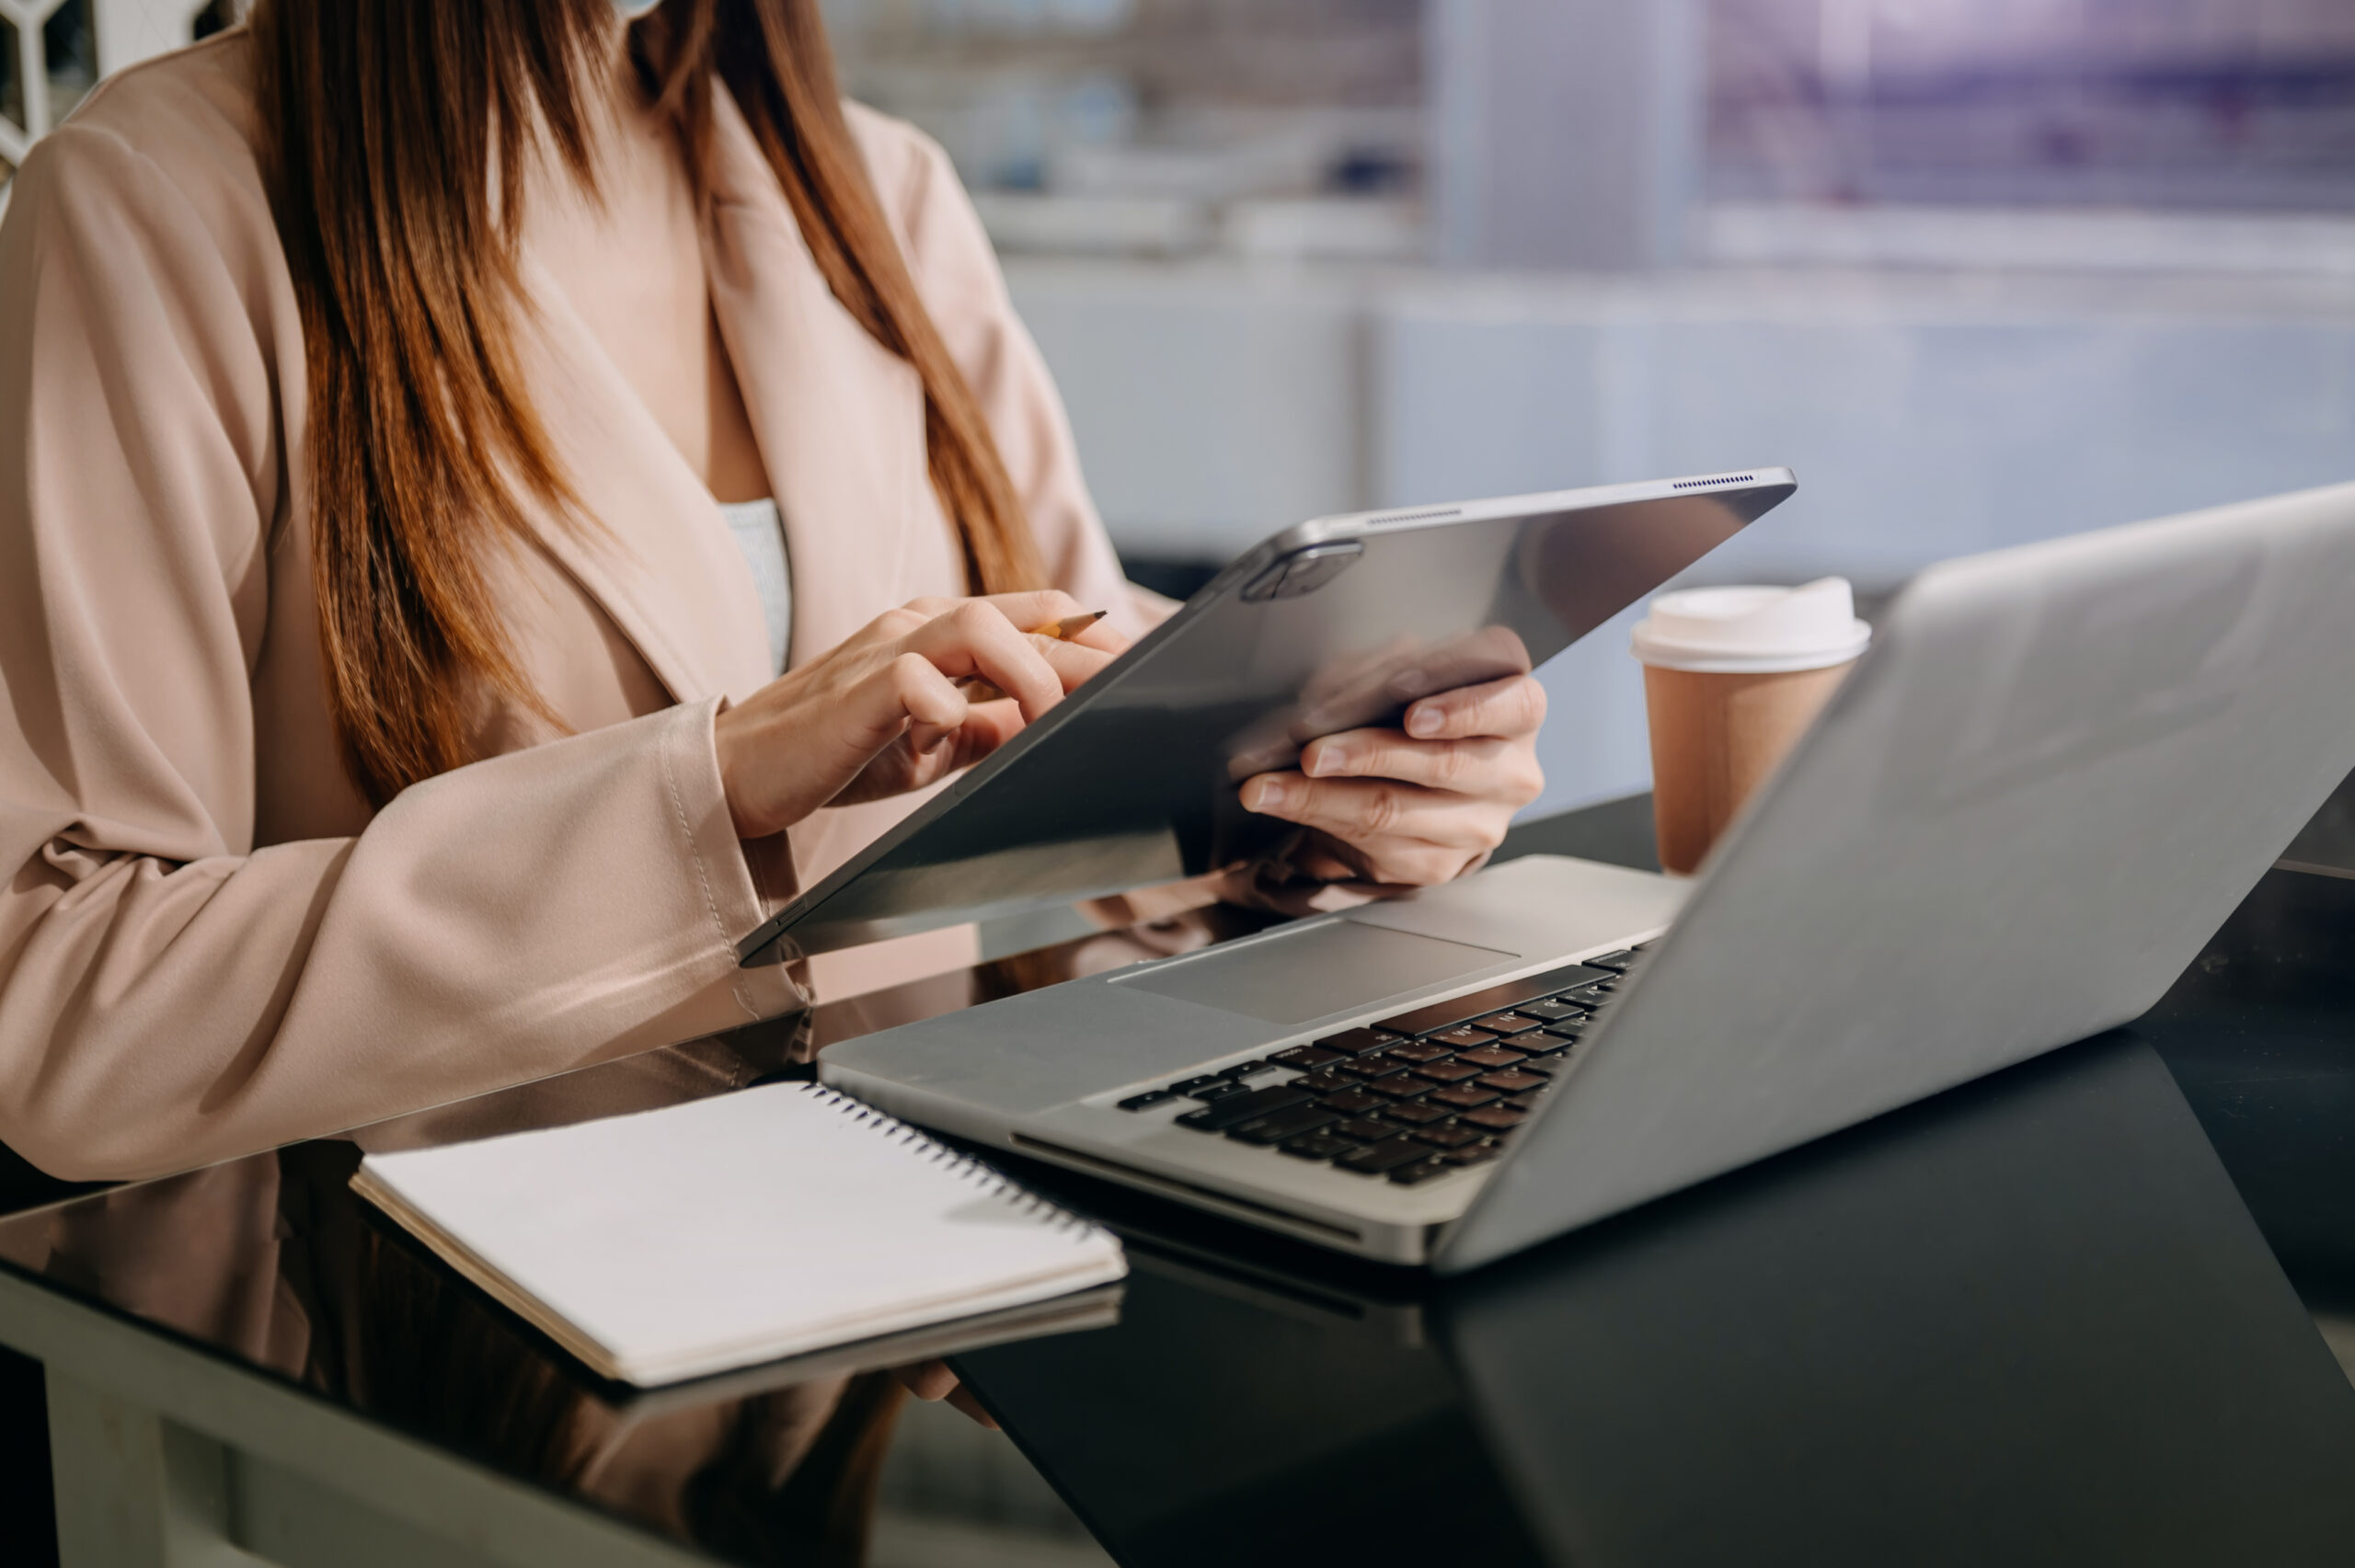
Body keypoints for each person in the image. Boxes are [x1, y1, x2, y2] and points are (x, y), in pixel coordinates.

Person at [0, 0, 1545, 1184]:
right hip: (423, 1350)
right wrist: (713, 785)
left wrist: (1315, 818)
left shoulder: (884, 195)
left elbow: (1059, 883)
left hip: (902, 1316)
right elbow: (69, 1012)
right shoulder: (156, 206)